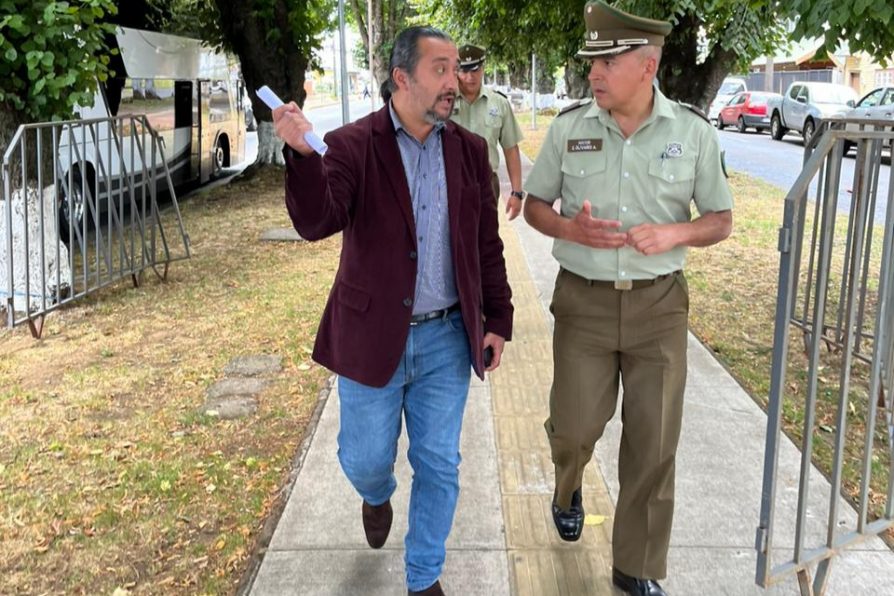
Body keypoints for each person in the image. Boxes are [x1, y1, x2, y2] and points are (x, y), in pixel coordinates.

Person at [272, 25, 513, 596]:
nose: (454, 81)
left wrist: (497, 319)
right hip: (370, 335)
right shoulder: (355, 144)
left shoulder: (470, 151)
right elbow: (316, 221)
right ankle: (376, 495)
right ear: (401, 77)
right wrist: (302, 155)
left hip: (446, 338)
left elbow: (485, 243)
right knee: (365, 457)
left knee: (439, 464)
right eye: (440, 69)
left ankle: (423, 576)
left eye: (456, 68)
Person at [522, 2, 733, 595]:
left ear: (649, 64)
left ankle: (634, 566)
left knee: (654, 442)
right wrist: (570, 229)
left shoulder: (692, 132)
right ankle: (569, 484)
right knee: (573, 427)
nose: (595, 73)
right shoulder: (570, 128)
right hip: (583, 304)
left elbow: (720, 219)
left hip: (659, 308)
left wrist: (676, 232)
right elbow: (536, 206)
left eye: (609, 60)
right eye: (593, 60)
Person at [450, 44, 525, 220]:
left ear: (483, 69)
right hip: (452, 182)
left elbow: (510, 148)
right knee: (454, 241)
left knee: (487, 239)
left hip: (487, 183)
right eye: (464, 71)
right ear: (456, 72)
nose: (470, 77)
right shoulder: (444, 102)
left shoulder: (499, 104)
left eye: (475, 70)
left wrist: (517, 192)